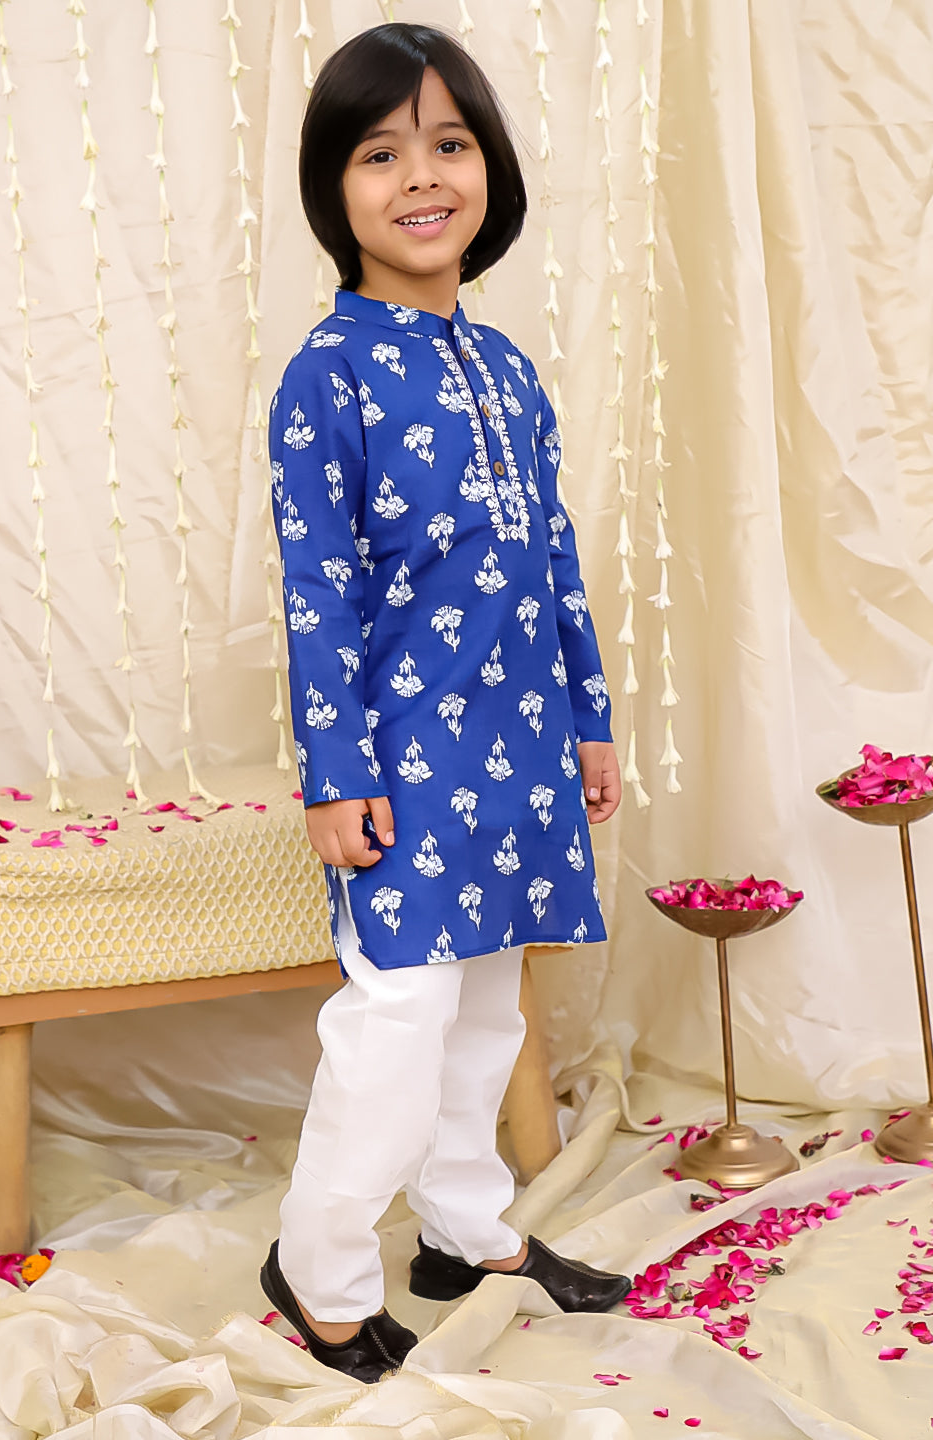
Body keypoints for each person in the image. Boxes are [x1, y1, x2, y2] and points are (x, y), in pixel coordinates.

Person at [260, 22, 629, 1384]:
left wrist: (590, 716)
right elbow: (319, 591)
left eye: (449, 143)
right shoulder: (330, 373)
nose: (421, 176)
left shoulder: (510, 368)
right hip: (404, 756)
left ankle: (466, 1231)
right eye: (380, 151)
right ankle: (319, 1272)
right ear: (334, 186)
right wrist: (334, 775)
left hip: (522, 744)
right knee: (397, 1024)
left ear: (489, 169)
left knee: (486, 1014)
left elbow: (553, 556)